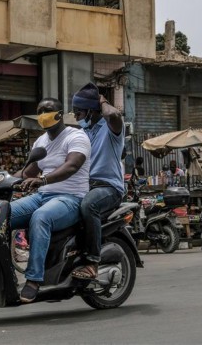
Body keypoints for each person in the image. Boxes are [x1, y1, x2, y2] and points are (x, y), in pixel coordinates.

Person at [11, 97, 91, 302]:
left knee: (41, 217)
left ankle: (34, 280)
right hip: (42, 196)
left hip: (70, 198)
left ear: (59, 114)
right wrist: (3, 179)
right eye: (39, 111)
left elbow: (72, 166)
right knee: (3, 213)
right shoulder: (41, 141)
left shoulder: (76, 136)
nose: (43, 115)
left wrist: (43, 180)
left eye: (47, 110)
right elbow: (28, 171)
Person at [69, 82, 125, 279]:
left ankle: (92, 262)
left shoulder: (111, 130)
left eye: (79, 112)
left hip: (108, 188)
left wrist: (101, 100)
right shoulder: (83, 134)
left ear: (92, 111)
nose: (76, 117)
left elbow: (113, 115)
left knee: (88, 205)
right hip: (85, 186)